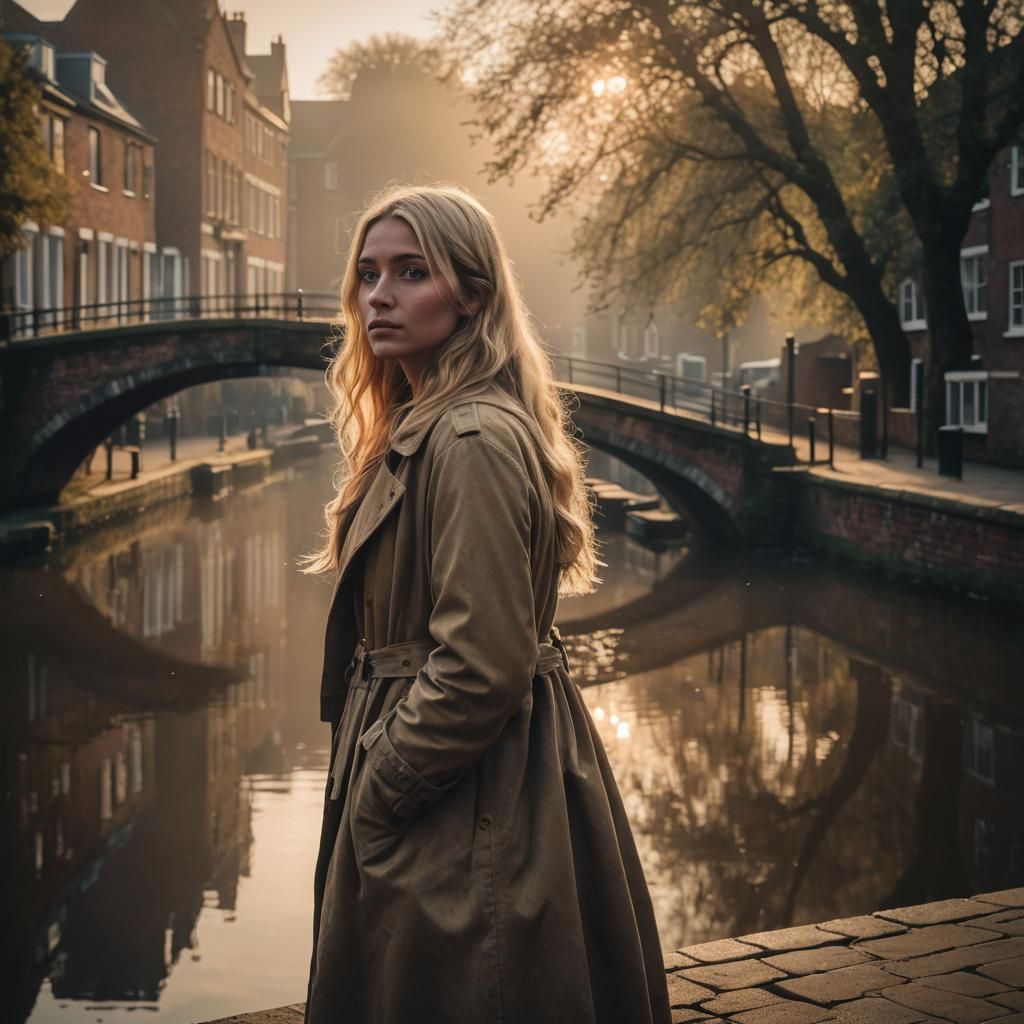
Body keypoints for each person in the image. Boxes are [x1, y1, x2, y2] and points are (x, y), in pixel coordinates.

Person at [304, 183, 671, 1024]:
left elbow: (479, 666)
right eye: (367, 274)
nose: (379, 296)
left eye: (410, 272)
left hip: (467, 792)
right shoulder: (430, 421)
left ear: (470, 295)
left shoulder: (467, 438)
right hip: (456, 778)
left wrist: (383, 789)